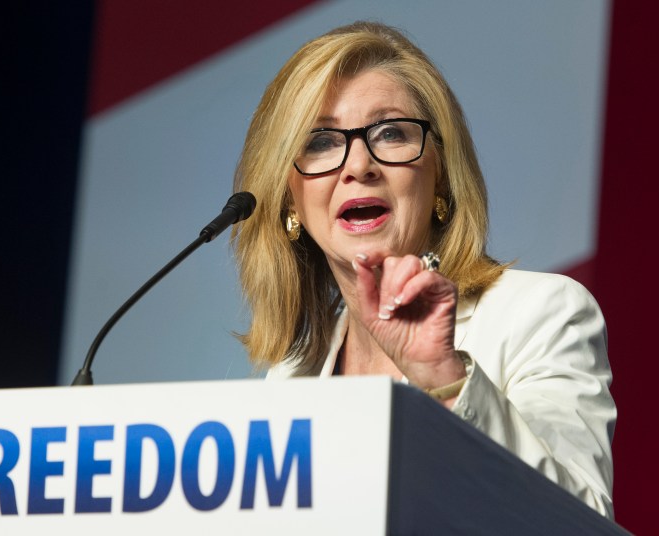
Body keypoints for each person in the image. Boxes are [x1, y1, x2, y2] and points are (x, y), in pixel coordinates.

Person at [232, 21, 615, 518]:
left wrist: (443, 378)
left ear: (441, 176)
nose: (358, 165)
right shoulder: (292, 376)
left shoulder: (541, 313)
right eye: (321, 141)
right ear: (290, 201)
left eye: (390, 133)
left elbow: (577, 521)